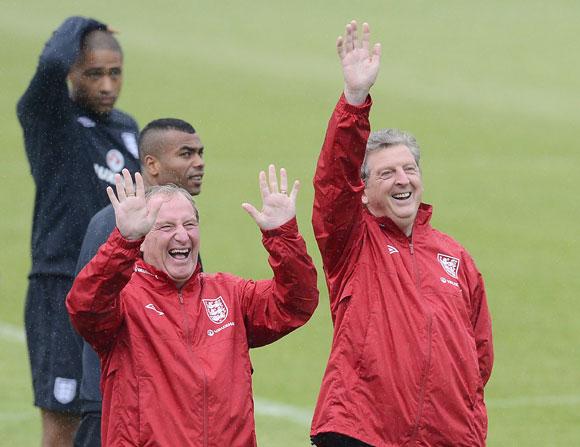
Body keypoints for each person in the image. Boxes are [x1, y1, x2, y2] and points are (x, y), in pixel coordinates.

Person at [310, 21, 493, 446]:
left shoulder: (454, 255)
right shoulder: (352, 242)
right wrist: (354, 101)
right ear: (364, 190)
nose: (402, 180)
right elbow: (334, 184)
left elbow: (479, 353)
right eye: (387, 173)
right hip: (361, 430)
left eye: (409, 169)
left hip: (446, 435)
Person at [66, 167, 319, 446]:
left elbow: (297, 302)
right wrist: (123, 243)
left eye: (189, 224)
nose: (182, 236)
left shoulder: (230, 294)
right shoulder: (125, 300)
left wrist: (282, 235)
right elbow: (85, 306)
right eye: (166, 227)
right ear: (142, 238)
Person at [16, 16, 140, 445]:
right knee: (63, 429)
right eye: (93, 74)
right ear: (73, 73)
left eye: (114, 73)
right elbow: (50, 63)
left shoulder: (126, 129)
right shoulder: (51, 119)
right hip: (62, 288)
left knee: (109, 419)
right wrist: (86, 25)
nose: (107, 85)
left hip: (117, 292)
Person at [73, 118, 205, 447]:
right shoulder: (115, 226)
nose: (199, 162)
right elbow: (89, 308)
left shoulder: (177, 224)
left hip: (159, 405)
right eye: (186, 154)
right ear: (152, 164)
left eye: (201, 153)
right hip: (114, 406)